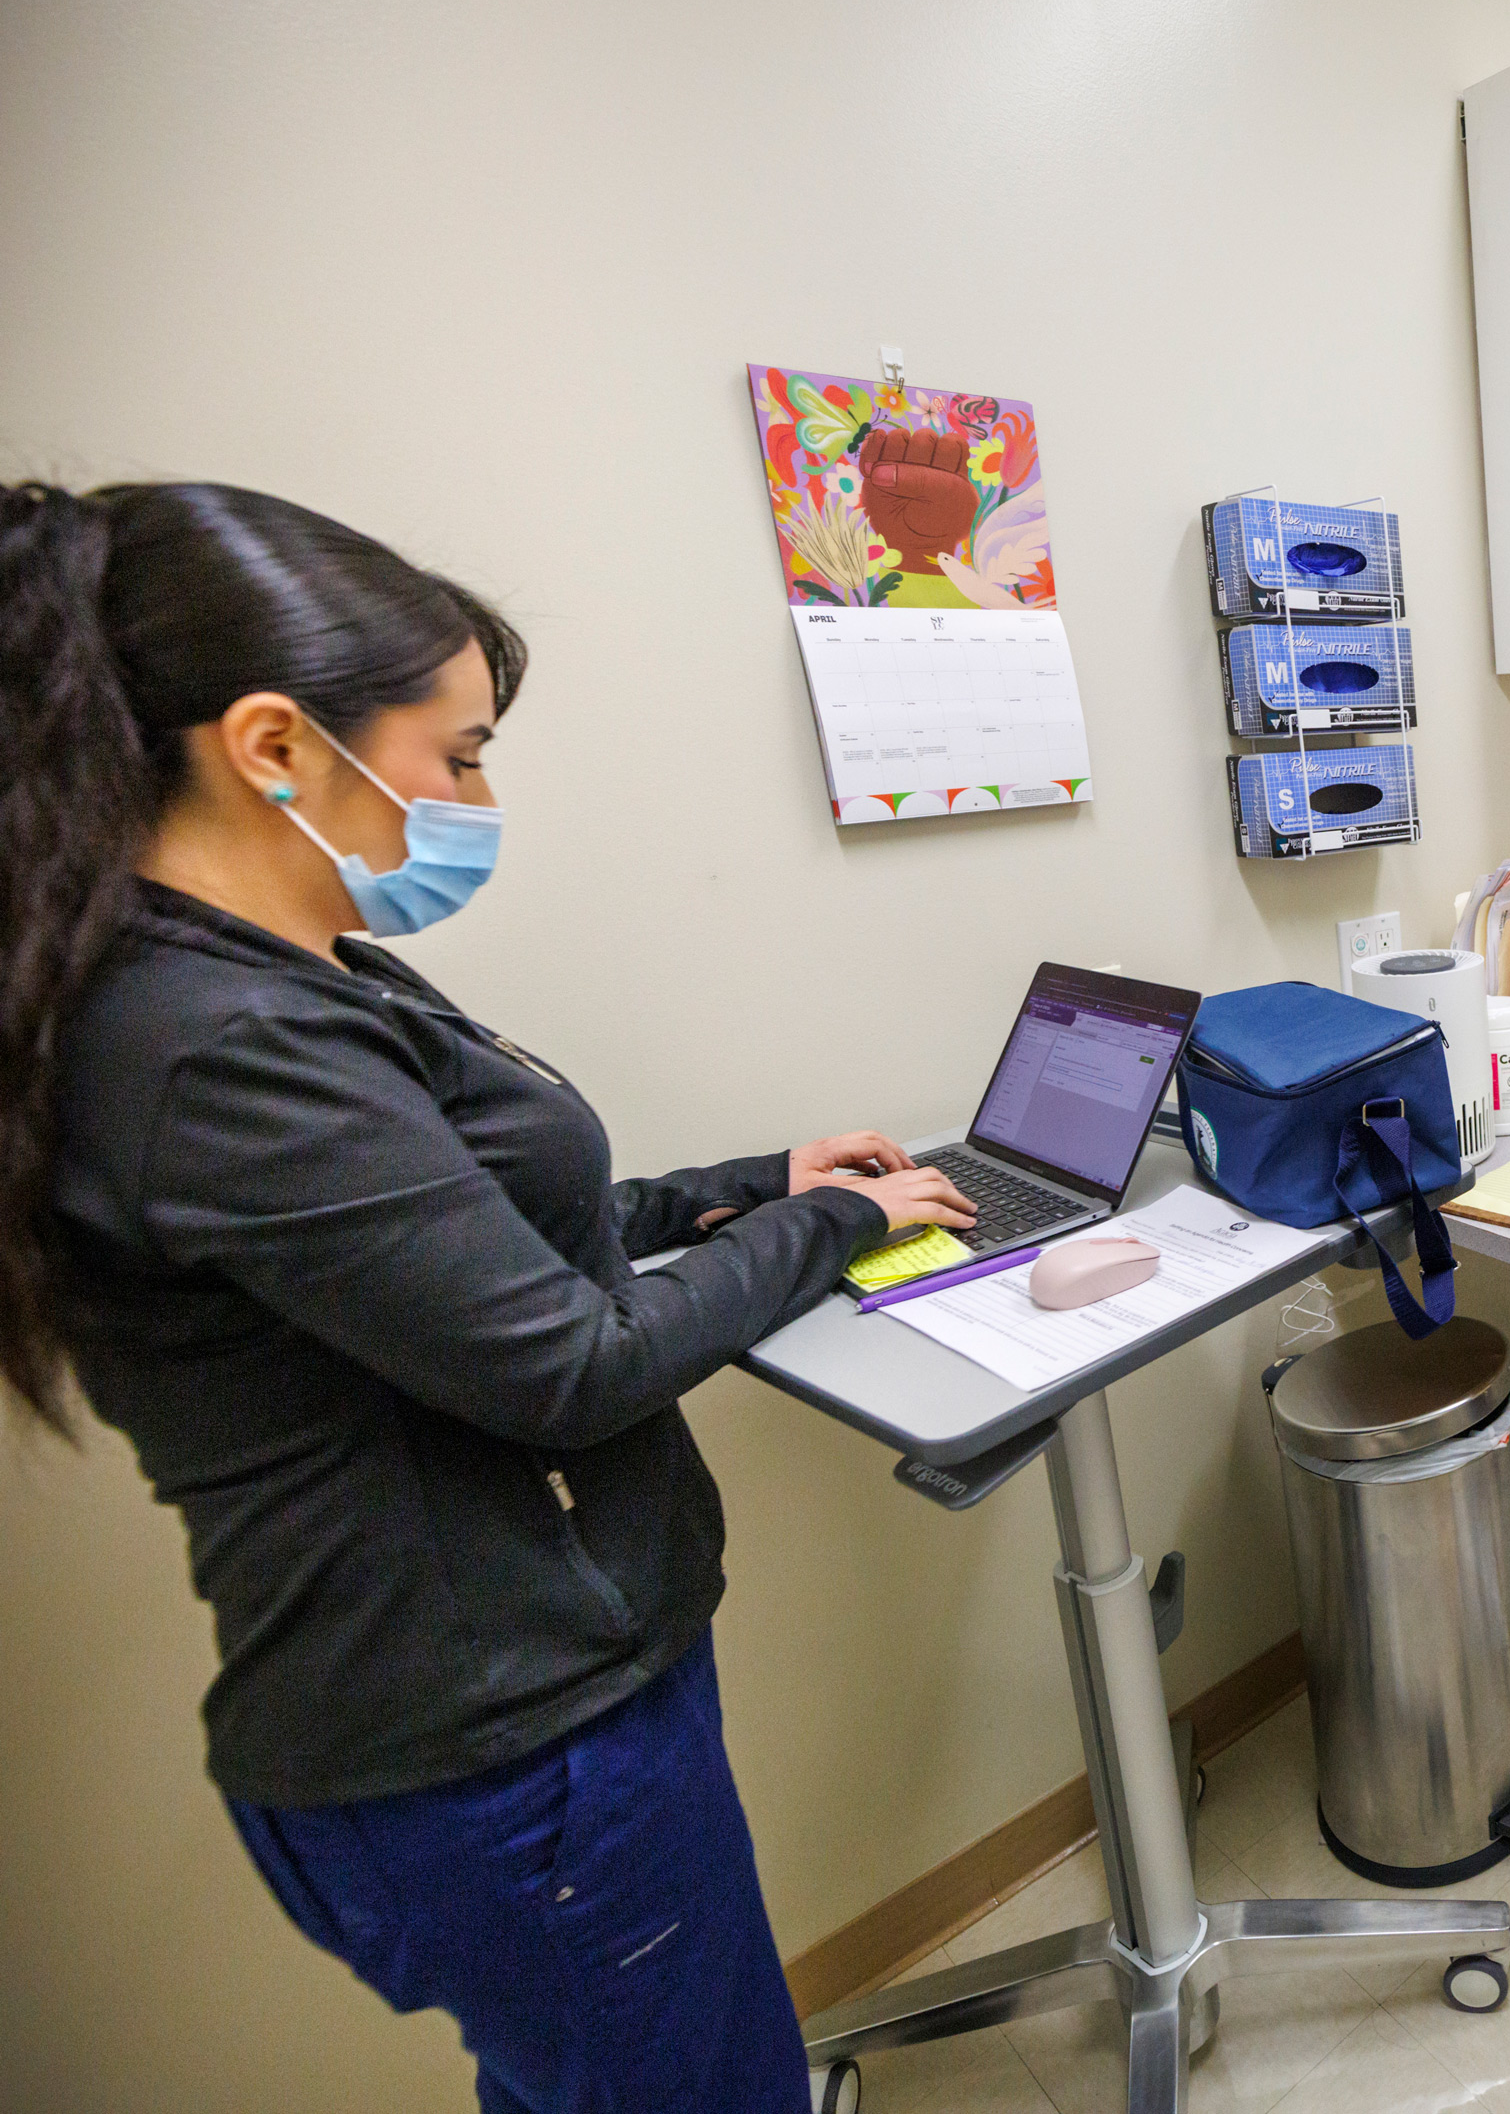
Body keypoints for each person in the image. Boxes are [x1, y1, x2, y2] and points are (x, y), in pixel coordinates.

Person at [0, 480, 977, 2112]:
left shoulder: (272, 967)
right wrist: (836, 1231)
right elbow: (571, 1365)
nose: (476, 794)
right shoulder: (210, 1041)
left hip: (529, 1713)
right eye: (454, 755)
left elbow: (478, 1228)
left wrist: (758, 1184)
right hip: (517, 1752)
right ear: (271, 744)